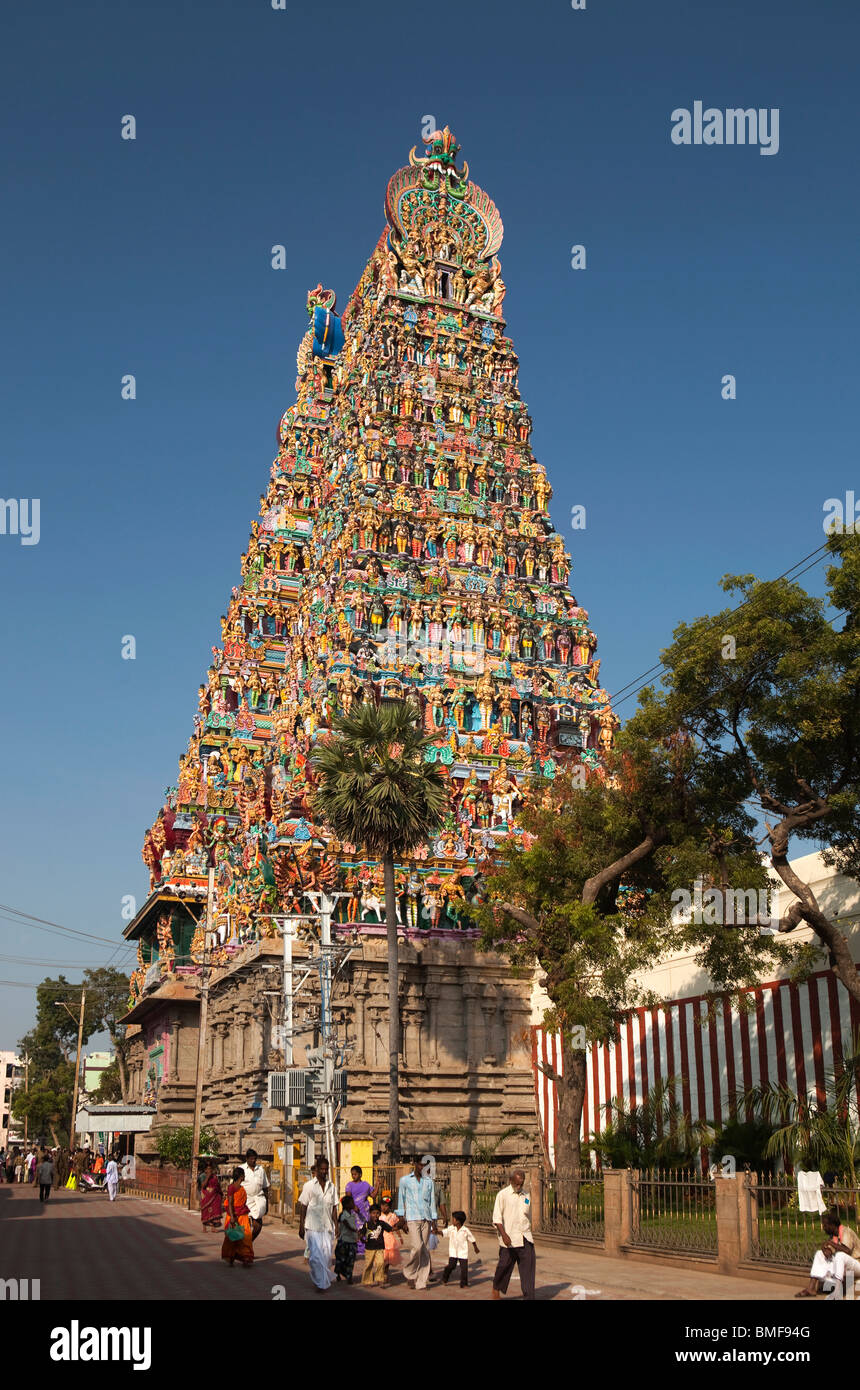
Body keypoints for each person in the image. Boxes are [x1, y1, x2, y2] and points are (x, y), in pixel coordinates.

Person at [491, 1168, 536, 1301]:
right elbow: (497, 1218)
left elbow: (527, 1215)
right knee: (504, 1266)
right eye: (517, 1183)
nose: (519, 1186)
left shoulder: (526, 1195)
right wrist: (504, 1235)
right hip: (508, 1238)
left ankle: (529, 1297)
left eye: (521, 1184)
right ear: (510, 1181)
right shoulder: (502, 1195)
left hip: (525, 1237)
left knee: (528, 1270)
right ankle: (496, 1287)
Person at [395, 1157, 439, 1290]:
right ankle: (410, 1273)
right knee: (417, 1247)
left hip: (426, 1218)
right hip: (412, 1218)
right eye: (420, 1165)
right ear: (415, 1164)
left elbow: (432, 1202)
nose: (422, 1168)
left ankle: (421, 1282)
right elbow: (400, 1198)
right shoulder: (405, 1180)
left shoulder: (429, 1182)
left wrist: (434, 1220)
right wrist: (401, 1218)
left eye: (425, 1166)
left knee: (424, 1250)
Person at [797, 1209, 860, 1298]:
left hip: (857, 1264)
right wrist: (824, 1249)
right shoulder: (833, 1236)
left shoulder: (846, 1231)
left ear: (832, 1225)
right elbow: (829, 1254)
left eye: (825, 1225)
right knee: (819, 1254)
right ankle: (811, 1288)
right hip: (845, 1267)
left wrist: (831, 1244)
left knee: (840, 1255)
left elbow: (847, 1251)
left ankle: (838, 1290)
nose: (823, 1227)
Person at [297, 1157, 338, 1292]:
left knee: (326, 1257)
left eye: (326, 1169)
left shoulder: (331, 1187)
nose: (324, 1171)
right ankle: (320, 1283)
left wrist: (336, 1225)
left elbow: (334, 1207)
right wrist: (301, 1226)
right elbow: (303, 1206)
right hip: (312, 1226)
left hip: (327, 1226)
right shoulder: (309, 1186)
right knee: (314, 1257)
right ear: (317, 1169)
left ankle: (321, 1281)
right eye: (321, 1169)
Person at [221, 1167, 254, 1267]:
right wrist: (232, 1217)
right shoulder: (232, 1188)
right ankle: (230, 1257)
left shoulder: (241, 1188)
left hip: (243, 1215)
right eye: (243, 1175)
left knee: (246, 1237)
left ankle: (246, 1257)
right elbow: (230, 1202)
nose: (244, 1176)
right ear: (241, 1176)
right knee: (232, 1238)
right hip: (234, 1216)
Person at [439, 1210, 480, 1288]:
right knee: (451, 1266)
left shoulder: (465, 1230)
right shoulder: (451, 1228)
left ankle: (463, 1283)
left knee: (464, 1269)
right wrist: (436, 1232)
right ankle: (445, 1278)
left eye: (453, 1219)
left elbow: (472, 1239)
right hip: (453, 1252)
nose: (452, 1221)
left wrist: (476, 1248)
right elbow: (444, 1232)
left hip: (463, 1252)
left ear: (458, 1221)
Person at [345, 1164, 377, 1256]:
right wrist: (353, 1206)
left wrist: (378, 1185)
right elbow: (348, 1197)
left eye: (355, 1174)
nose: (353, 1176)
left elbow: (373, 1195)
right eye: (352, 1174)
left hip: (365, 1212)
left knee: (364, 1230)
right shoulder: (349, 1185)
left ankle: (364, 1248)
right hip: (354, 1212)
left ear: (360, 1174)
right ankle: (355, 1248)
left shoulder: (366, 1184)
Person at [240, 1149, 270, 1243]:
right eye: (251, 1159)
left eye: (254, 1159)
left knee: (258, 1226)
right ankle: (243, 1247)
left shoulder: (260, 1170)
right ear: (247, 1159)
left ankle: (249, 1242)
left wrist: (266, 1203)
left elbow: (265, 1187)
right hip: (245, 1199)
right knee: (245, 1226)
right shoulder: (241, 1169)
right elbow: (235, 1185)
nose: (253, 1161)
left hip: (258, 1199)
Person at [361, 1204, 389, 1286]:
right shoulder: (366, 1224)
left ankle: (380, 1279)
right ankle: (367, 1281)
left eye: (377, 1213)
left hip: (379, 1247)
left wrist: (400, 1226)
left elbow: (391, 1228)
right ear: (370, 1213)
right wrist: (360, 1237)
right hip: (369, 1248)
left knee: (380, 1263)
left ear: (380, 1214)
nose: (375, 1215)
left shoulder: (382, 1223)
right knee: (368, 1265)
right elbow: (362, 1233)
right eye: (373, 1213)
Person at [334, 1193, 360, 1284]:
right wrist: (354, 1230)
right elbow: (346, 1224)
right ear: (347, 1205)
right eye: (351, 1202)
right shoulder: (343, 1215)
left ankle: (349, 1276)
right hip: (344, 1241)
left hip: (352, 1241)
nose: (353, 1204)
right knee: (341, 1259)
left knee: (351, 1260)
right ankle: (338, 1273)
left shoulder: (352, 1215)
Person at [200, 1160, 223, 1230]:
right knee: (206, 1210)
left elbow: (217, 1185)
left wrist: (220, 1193)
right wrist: (207, 1177)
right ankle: (204, 1225)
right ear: (205, 1170)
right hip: (206, 1195)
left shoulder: (215, 1176)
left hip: (214, 1195)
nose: (209, 1170)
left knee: (214, 1211)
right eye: (208, 1169)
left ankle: (213, 1227)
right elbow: (203, 1186)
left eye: (210, 1168)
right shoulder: (203, 1176)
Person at [380, 1198, 402, 1270]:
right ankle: (381, 1272)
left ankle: (385, 1273)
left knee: (388, 1258)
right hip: (381, 1239)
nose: (383, 1208)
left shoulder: (393, 1216)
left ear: (389, 1207)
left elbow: (396, 1227)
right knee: (382, 1258)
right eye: (382, 1205)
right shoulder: (379, 1216)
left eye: (386, 1206)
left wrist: (400, 1237)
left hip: (390, 1239)